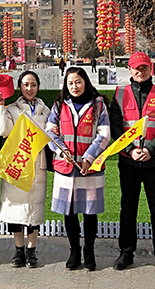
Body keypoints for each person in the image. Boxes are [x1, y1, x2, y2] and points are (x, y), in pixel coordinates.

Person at [108, 52, 155, 273]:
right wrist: (130, 150)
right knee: (128, 209)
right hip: (128, 162)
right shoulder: (120, 94)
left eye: (144, 68)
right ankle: (126, 253)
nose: (140, 72)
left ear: (151, 69)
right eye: (136, 68)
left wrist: (150, 149)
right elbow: (115, 127)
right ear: (129, 69)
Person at [46, 67, 110, 271]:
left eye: (78, 82)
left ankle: (89, 251)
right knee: (69, 211)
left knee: (90, 212)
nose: (74, 86)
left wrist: (88, 158)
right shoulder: (59, 105)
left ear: (85, 82)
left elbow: (104, 134)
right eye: (70, 83)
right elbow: (50, 131)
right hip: (66, 165)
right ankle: (74, 250)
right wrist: (62, 150)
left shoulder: (98, 104)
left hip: (89, 167)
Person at [0, 71, 50, 269]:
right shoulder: (12, 109)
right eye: (25, 84)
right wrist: (0, 107)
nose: (29, 88)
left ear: (38, 86)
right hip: (17, 164)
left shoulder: (45, 111)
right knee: (15, 208)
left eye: (33, 84)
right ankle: (19, 250)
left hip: (37, 164)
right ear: (19, 87)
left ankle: (31, 250)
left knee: (35, 207)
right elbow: (2, 130)